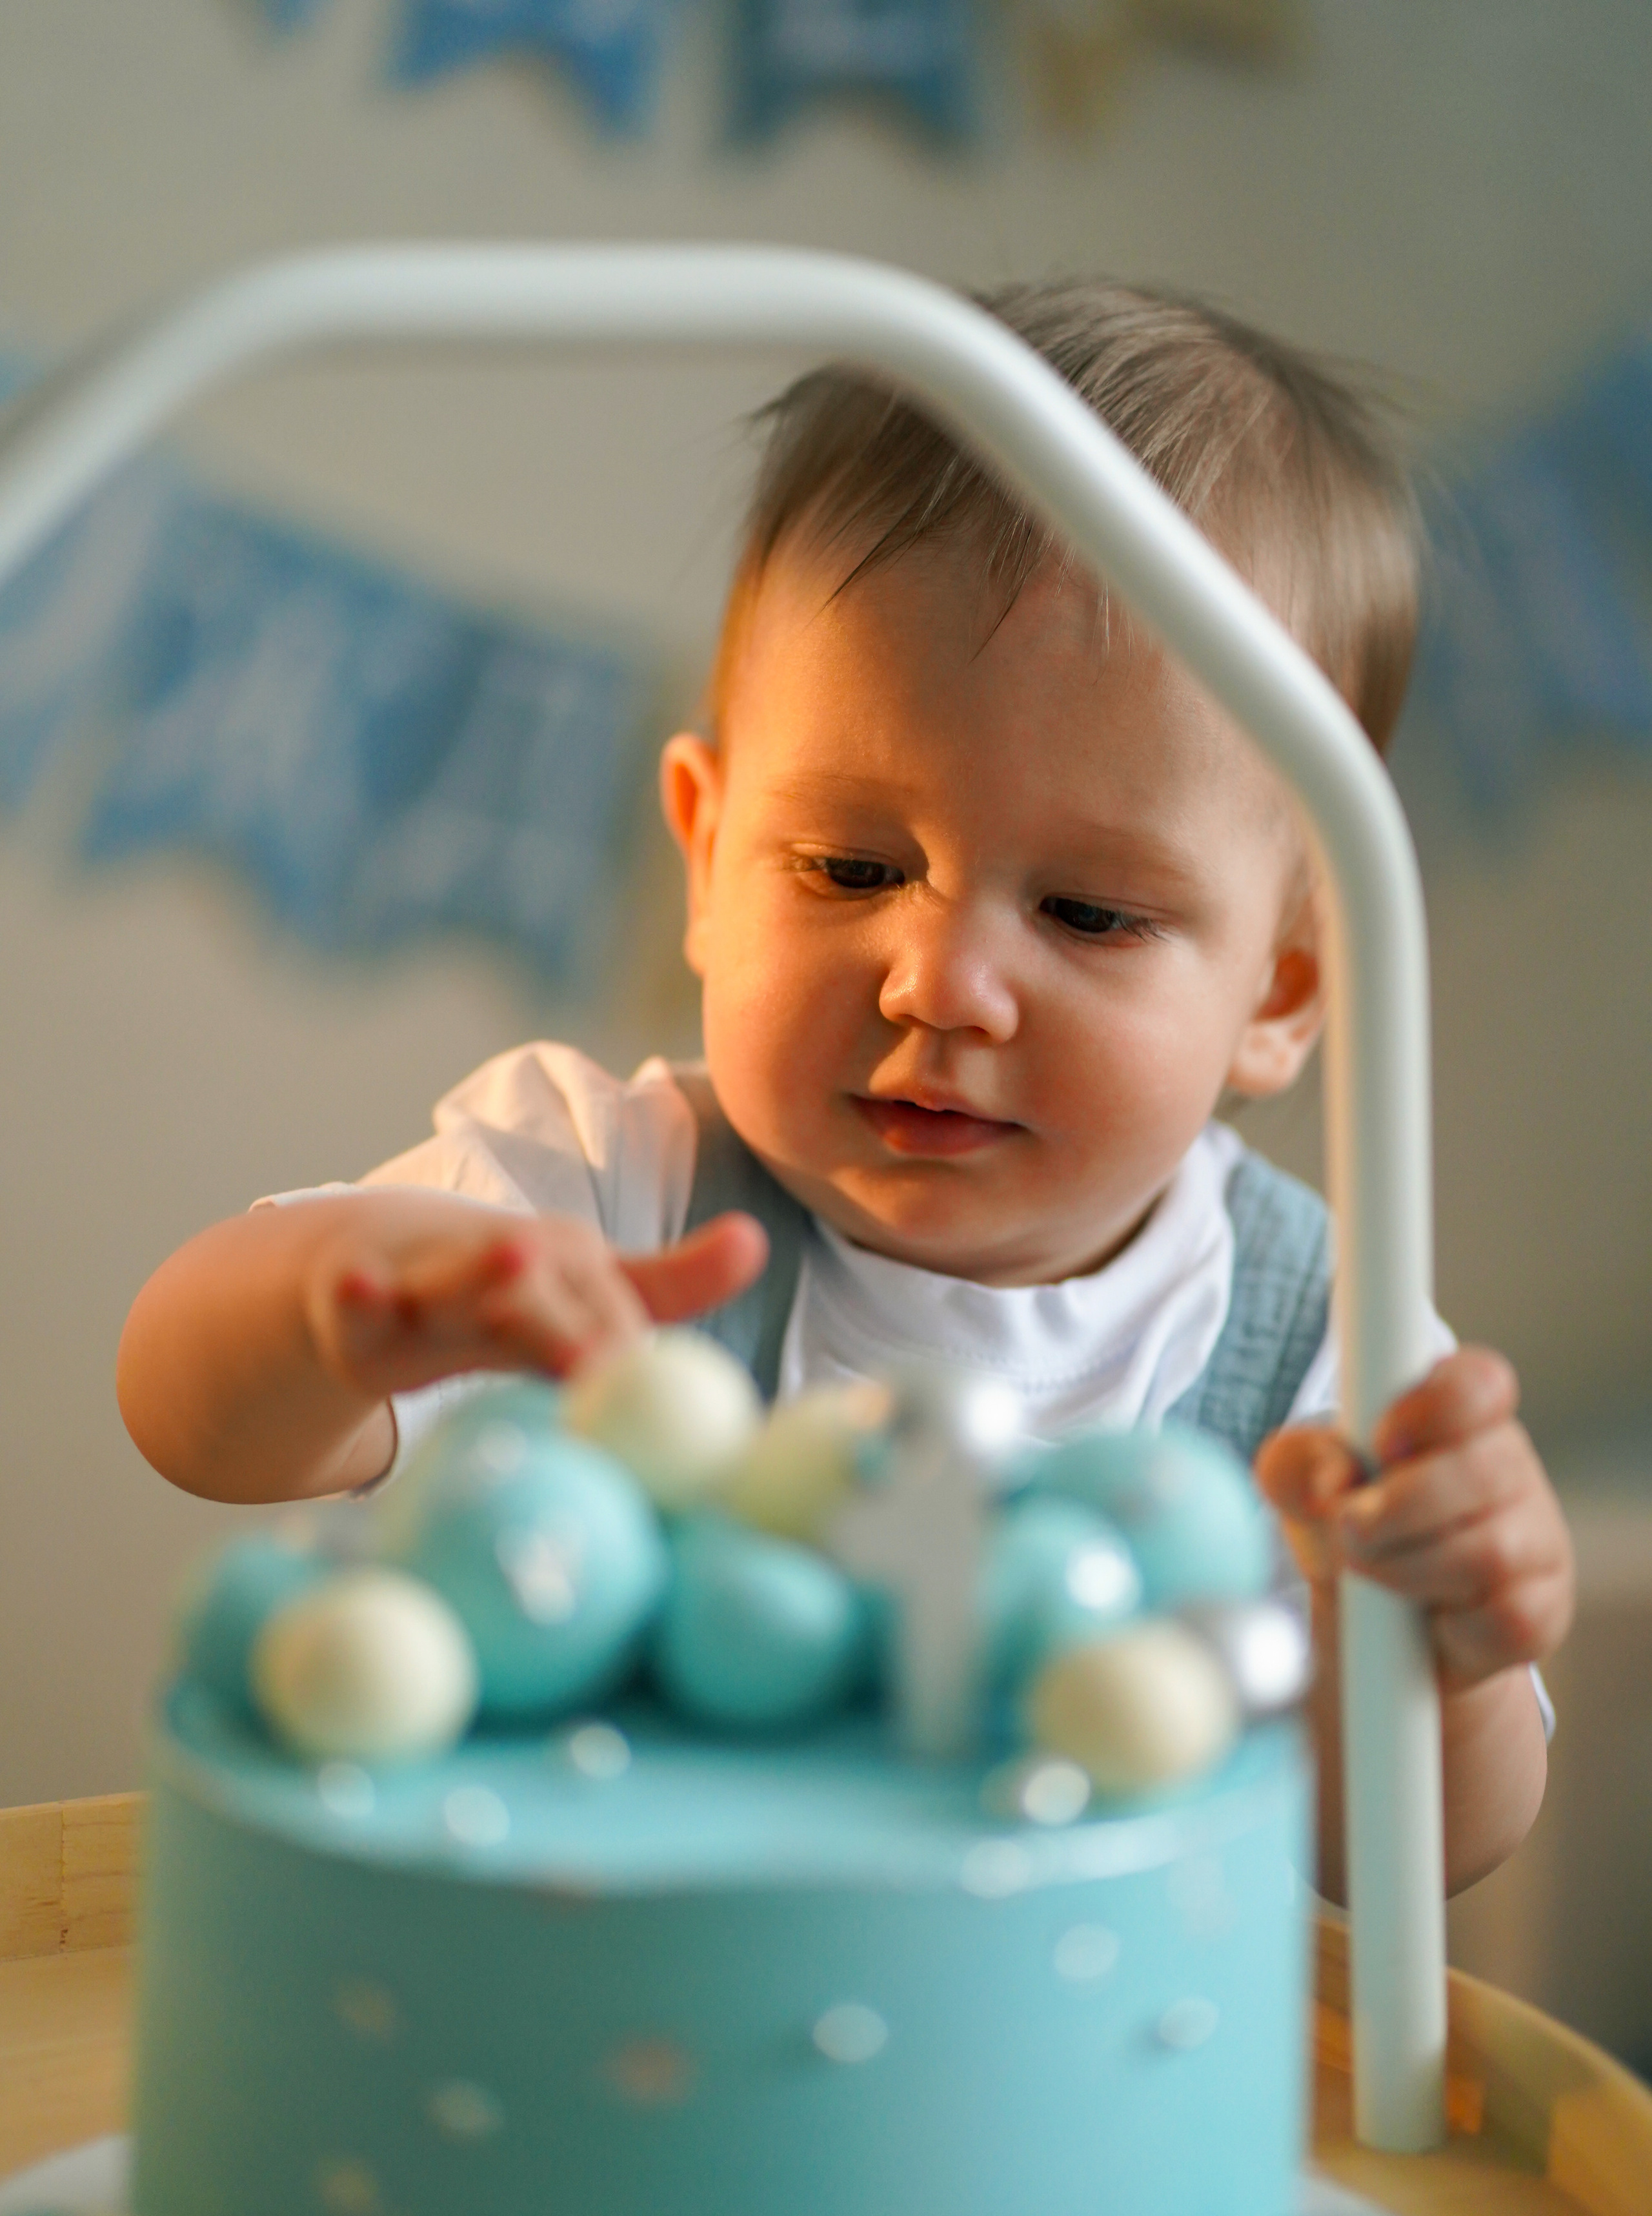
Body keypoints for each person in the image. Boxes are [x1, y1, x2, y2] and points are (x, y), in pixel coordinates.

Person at [117, 278, 1571, 1901]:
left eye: (1087, 912)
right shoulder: (600, 1198)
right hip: (587, 2056)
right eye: (848, 864)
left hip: (1068, 2109)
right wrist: (324, 1311)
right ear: (703, 854)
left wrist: (1439, 1653)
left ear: (1280, 991)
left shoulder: (1331, 1356)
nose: (938, 982)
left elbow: (1409, 1865)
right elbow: (194, 1425)